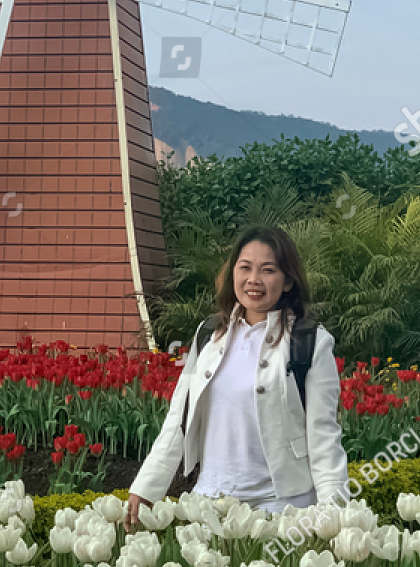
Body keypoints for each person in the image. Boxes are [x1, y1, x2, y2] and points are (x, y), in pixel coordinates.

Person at [125, 226, 349, 529]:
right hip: (210, 502)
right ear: (233, 273)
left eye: (268, 270)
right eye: (245, 267)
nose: (253, 279)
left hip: (281, 508)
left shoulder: (310, 343)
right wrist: (147, 487)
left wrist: (334, 517)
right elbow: (179, 417)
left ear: (287, 282)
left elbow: (324, 437)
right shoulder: (208, 335)